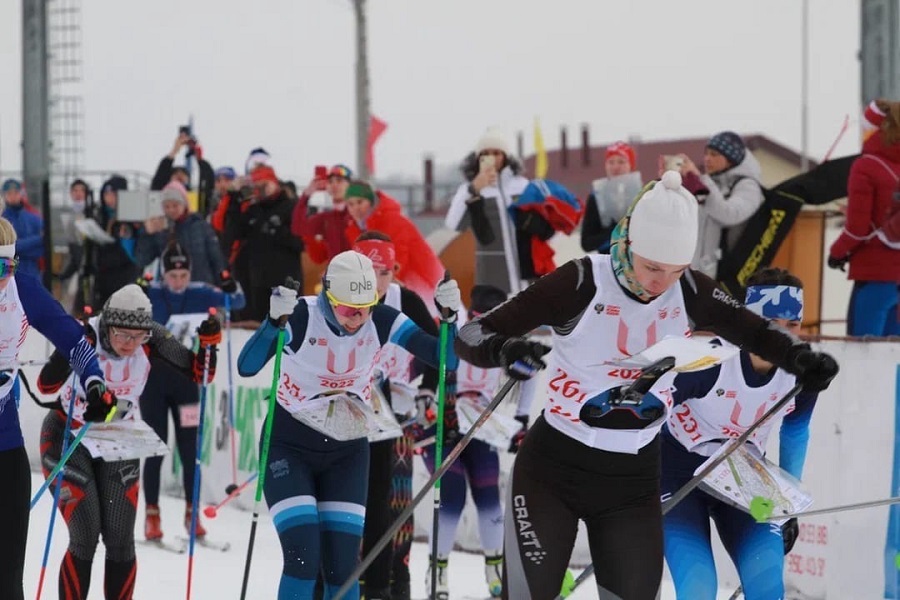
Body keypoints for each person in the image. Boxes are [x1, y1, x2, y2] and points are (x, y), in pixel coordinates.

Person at [454, 171, 839, 600]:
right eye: (652, 266)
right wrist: (505, 350)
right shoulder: (580, 281)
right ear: (628, 242)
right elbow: (472, 334)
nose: (660, 283)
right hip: (552, 470)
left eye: (675, 270)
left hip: (632, 482)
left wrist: (800, 358)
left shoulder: (690, 290)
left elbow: (756, 331)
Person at [237, 250, 461, 600]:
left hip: (347, 452)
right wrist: (272, 322)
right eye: (346, 309)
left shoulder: (382, 319)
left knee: (343, 568)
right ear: (328, 297)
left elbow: (445, 359)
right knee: (303, 557)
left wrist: (450, 319)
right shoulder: (301, 315)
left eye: (365, 308)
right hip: (289, 447)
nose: (357, 318)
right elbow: (247, 366)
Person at [37, 283, 220, 600]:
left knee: (121, 540)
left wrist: (208, 347)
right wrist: (70, 348)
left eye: (138, 337)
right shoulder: (85, 335)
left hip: (119, 437)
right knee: (85, 534)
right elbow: (45, 385)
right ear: (108, 325)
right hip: (68, 435)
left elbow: (199, 373)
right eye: (121, 335)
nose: (129, 344)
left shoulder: (153, 336)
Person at [662, 267, 819, 600]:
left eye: (793, 324)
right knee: (698, 588)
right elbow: (648, 415)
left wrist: (787, 507)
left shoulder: (802, 371)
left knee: (767, 586)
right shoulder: (711, 359)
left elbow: (795, 432)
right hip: (677, 476)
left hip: (744, 478)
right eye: (772, 323)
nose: (784, 335)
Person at [0, 217, 107, 600]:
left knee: (7, 579)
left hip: (4, 443)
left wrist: (95, 383)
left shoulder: (22, 290)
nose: (0, 279)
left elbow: (74, 340)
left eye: (5, 268)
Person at [422, 284, 536, 600]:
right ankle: (437, 573)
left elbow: (529, 373)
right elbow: (426, 364)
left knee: (488, 496)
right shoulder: (455, 329)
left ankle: (495, 571)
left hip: (481, 426)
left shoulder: (507, 337)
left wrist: (522, 419)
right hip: (443, 425)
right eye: (477, 318)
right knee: (452, 496)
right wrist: (428, 402)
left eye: (489, 319)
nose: (482, 326)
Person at [352, 232, 440, 600]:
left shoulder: (405, 301)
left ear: (394, 271)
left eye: (383, 273)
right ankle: (351, 577)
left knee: (395, 503)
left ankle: (395, 580)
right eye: (368, 271)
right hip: (349, 413)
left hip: (395, 415)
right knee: (352, 501)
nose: (376, 281)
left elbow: (439, 349)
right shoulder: (342, 297)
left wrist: (427, 389)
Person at [140, 242, 244, 541]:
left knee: (189, 451)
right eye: (172, 276)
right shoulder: (152, 293)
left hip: (187, 382)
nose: (178, 282)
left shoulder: (200, 292)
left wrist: (231, 286)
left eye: (183, 275)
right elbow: (121, 306)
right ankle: (152, 515)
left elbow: (237, 301)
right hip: (153, 383)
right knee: (156, 449)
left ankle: (192, 513)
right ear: (164, 275)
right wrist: (138, 287)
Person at [828, 99, 900, 336]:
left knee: (862, 351)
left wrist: (837, 253)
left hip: (874, 275)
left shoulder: (866, 166)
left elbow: (857, 229)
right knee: (894, 353)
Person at [444, 128, 534, 294]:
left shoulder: (522, 186)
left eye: (496, 153)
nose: (491, 158)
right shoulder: (469, 189)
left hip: (526, 276)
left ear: (506, 156)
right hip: (491, 278)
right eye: (485, 154)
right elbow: (453, 223)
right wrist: (473, 189)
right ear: (478, 158)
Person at [344, 180, 444, 312]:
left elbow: (398, 260)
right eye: (350, 204)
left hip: (422, 282)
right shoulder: (355, 228)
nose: (355, 208)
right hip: (388, 286)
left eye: (360, 202)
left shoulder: (391, 220)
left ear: (371, 202)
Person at [677, 131, 765, 279]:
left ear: (730, 159)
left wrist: (700, 181)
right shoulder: (712, 182)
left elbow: (729, 214)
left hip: (729, 275)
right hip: (700, 273)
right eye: (706, 153)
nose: (707, 159)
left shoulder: (748, 186)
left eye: (714, 154)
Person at [224, 164, 303, 322]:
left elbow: (300, 243)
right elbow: (232, 233)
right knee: (262, 326)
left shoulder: (291, 206)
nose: (261, 190)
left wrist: (277, 231)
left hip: (286, 281)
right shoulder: (254, 210)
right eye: (257, 186)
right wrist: (234, 198)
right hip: (259, 282)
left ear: (274, 182)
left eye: (265, 185)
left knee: (288, 326)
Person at [135, 180, 227, 286]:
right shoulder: (160, 229)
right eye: (167, 206)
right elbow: (142, 260)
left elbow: (217, 259)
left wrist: (223, 285)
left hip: (201, 288)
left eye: (175, 205)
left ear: (184, 204)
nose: (171, 210)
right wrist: (147, 234)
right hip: (170, 290)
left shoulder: (200, 226)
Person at [89, 176, 142, 309]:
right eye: (106, 194)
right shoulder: (100, 216)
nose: (109, 199)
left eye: (113, 194)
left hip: (126, 275)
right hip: (103, 277)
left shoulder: (132, 216)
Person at [580, 141, 643, 254]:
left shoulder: (642, 195)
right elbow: (586, 243)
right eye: (611, 162)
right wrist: (612, 232)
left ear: (630, 165)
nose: (615, 167)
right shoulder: (596, 197)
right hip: (608, 259)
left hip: (637, 258)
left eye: (621, 162)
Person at [291, 164, 355, 264]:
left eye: (339, 181)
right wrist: (307, 194)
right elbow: (298, 228)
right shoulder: (326, 218)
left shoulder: (359, 214)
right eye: (330, 181)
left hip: (360, 271)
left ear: (350, 185)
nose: (334, 185)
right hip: (336, 271)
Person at [1, 178, 43, 277]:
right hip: (7, 270)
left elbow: (42, 249)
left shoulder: (34, 218)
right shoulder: (2, 221)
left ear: (21, 194)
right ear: (4, 195)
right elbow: (8, 247)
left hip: (31, 270)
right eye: (9, 193)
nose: (13, 196)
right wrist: (38, 239)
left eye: (16, 192)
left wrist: (19, 247)